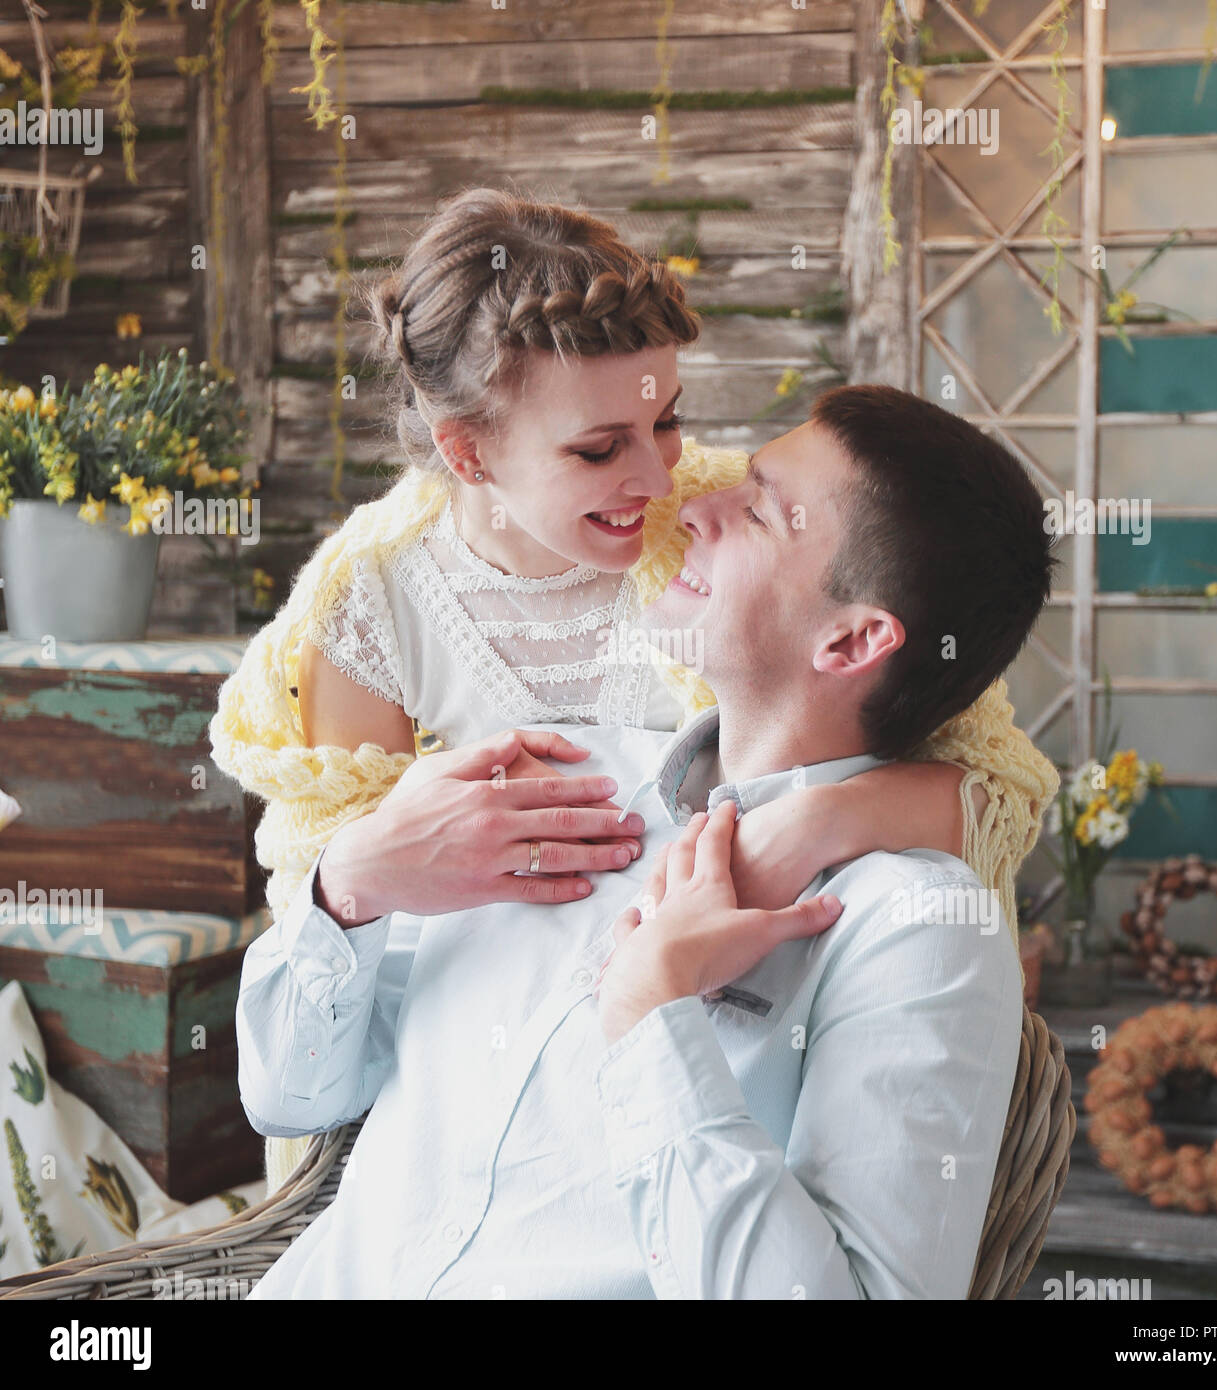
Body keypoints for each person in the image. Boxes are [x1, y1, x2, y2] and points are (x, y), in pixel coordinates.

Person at [211, 188, 1058, 1193]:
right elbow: (327, 993)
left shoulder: (724, 539)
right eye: (596, 449)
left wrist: (816, 823)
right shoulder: (369, 612)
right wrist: (361, 869)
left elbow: (999, 794)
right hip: (458, 1114)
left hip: (727, 1081)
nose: (662, 482)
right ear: (466, 451)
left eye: (664, 419)